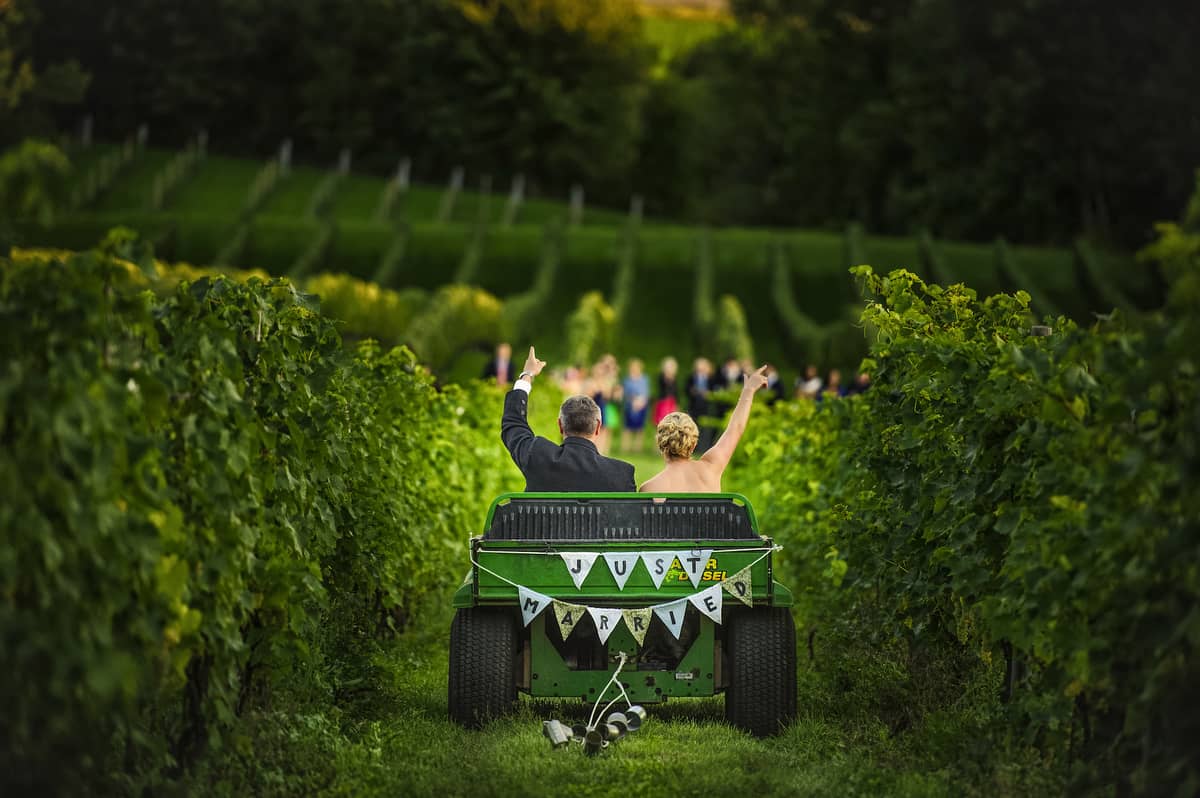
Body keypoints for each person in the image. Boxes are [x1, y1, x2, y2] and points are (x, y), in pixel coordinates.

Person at [502, 347, 636, 492]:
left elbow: (513, 424)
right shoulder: (622, 475)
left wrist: (527, 375)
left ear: (560, 425)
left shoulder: (536, 454)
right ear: (598, 427)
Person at [640, 365, 769, 493]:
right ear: (694, 443)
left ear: (660, 444)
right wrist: (748, 390)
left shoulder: (649, 488)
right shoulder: (711, 468)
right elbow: (736, 428)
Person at [686, 357, 715, 454]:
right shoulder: (692, 377)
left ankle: (704, 448)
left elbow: (714, 390)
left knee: (705, 429)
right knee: (693, 428)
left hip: (706, 407)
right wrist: (693, 391)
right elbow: (687, 389)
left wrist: (708, 394)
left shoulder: (710, 378)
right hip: (694, 406)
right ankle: (692, 448)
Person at [621, 358, 650, 453]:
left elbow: (646, 392)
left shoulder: (644, 379)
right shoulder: (627, 380)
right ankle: (625, 447)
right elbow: (625, 393)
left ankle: (637, 448)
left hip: (642, 405)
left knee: (640, 428)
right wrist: (633, 400)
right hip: (629, 405)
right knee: (627, 427)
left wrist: (641, 401)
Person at [652, 356, 679, 426]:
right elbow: (662, 390)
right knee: (661, 422)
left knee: (672, 423)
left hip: (671, 403)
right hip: (663, 403)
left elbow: (675, 393)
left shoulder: (674, 379)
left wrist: (676, 404)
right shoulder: (661, 377)